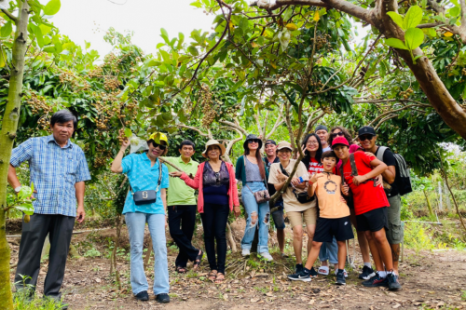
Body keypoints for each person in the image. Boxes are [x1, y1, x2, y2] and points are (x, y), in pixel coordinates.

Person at [8, 110, 91, 308]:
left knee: (59, 255)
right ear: (52, 126)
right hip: (37, 208)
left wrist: (80, 205)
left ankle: (52, 296)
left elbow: (80, 179)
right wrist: (19, 190)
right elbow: (9, 162)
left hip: (66, 209)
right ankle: (23, 296)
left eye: (69, 126)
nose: (65, 129)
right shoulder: (35, 144)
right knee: (29, 253)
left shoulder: (77, 151)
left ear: (73, 129)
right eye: (61, 125)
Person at [332, 136, 401, 291]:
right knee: (369, 236)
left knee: (379, 236)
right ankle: (380, 273)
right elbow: (349, 189)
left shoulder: (358, 155)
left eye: (342, 147)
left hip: (375, 200)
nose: (340, 151)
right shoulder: (340, 167)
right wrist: (346, 193)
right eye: (336, 149)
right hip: (359, 204)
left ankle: (391, 273)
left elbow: (382, 166)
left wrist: (365, 176)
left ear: (347, 147)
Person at [111, 132, 170, 303]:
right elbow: (115, 168)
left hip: (156, 208)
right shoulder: (134, 159)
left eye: (161, 146)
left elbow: (164, 193)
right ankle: (139, 288)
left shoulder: (162, 167)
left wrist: (164, 214)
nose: (157, 148)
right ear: (149, 143)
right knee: (136, 247)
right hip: (134, 207)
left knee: (160, 247)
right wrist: (123, 147)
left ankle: (161, 289)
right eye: (155, 144)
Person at [170, 140, 240, 284]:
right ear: (206, 153)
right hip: (206, 205)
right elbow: (196, 185)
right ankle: (213, 268)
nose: (213, 151)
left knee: (220, 234)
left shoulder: (228, 166)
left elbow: (232, 185)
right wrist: (183, 176)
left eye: (216, 148)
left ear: (220, 152)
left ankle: (221, 269)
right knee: (208, 235)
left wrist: (236, 204)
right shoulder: (202, 167)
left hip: (223, 205)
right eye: (210, 149)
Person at [288, 151, 353, 284]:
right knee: (316, 243)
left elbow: (345, 195)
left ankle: (340, 273)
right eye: (327, 159)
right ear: (322, 161)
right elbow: (311, 195)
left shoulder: (339, 178)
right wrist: (311, 184)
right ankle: (306, 271)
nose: (329, 162)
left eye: (332, 160)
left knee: (341, 242)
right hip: (324, 215)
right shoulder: (316, 177)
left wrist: (346, 195)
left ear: (335, 163)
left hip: (341, 214)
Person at [329, 126, 374, 280]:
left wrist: (378, 176)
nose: (337, 136)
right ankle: (347, 264)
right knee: (349, 231)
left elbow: (372, 164)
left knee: (365, 231)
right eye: (334, 135)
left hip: (363, 195)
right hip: (348, 198)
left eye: (340, 134)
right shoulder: (335, 159)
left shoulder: (355, 149)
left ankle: (369, 264)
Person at [358, 126, 403, 275]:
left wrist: (376, 163)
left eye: (369, 137)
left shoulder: (384, 153)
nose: (366, 140)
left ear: (375, 137)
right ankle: (382, 269)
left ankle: (394, 269)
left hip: (390, 197)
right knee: (374, 234)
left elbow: (391, 177)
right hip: (372, 199)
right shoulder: (359, 155)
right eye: (362, 138)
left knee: (392, 230)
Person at [268, 141, 317, 275]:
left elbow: (303, 185)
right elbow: (277, 187)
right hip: (290, 202)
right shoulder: (274, 166)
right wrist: (290, 180)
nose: (285, 154)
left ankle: (309, 265)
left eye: (287, 151)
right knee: (298, 232)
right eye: (282, 151)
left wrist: (284, 178)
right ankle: (299, 264)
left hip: (307, 201)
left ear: (291, 153)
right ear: (277, 153)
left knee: (312, 232)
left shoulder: (298, 164)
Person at [163, 140, 203, 273]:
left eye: (190, 149)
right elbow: (157, 156)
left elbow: (198, 183)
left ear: (193, 152)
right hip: (174, 203)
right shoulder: (171, 162)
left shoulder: (196, 165)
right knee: (174, 232)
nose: (187, 151)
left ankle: (181, 264)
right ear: (180, 150)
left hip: (190, 203)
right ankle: (196, 252)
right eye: (184, 148)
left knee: (187, 235)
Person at [236, 134, 273, 261]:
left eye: (256, 141)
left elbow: (268, 178)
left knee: (266, 219)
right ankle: (246, 245)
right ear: (246, 144)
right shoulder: (242, 159)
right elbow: (237, 177)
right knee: (253, 218)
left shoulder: (262, 160)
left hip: (262, 189)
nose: (253, 143)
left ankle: (263, 249)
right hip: (249, 188)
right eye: (250, 141)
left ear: (259, 144)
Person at [311, 128, 340, 277]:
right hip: (318, 202)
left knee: (333, 235)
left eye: (323, 132)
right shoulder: (311, 153)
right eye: (318, 132)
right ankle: (324, 262)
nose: (329, 161)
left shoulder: (333, 152)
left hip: (333, 202)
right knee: (320, 232)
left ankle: (336, 263)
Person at [263, 139, 286, 256]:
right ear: (264, 149)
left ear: (276, 147)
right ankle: (262, 249)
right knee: (263, 224)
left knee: (280, 225)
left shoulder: (281, 160)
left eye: (272, 146)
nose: (269, 148)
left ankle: (281, 250)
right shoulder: (262, 161)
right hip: (264, 197)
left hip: (278, 197)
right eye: (267, 146)